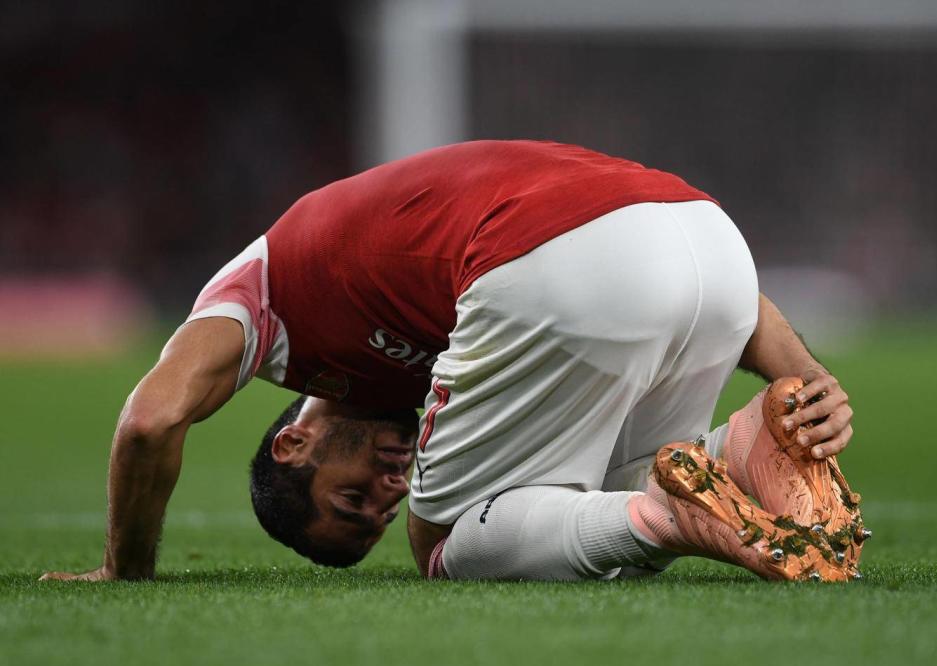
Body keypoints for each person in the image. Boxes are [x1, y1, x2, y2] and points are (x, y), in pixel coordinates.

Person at [40, 140, 853, 582]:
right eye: (378, 506)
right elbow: (668, 264)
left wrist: (125, 569)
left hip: (567, 257)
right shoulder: (392, 349)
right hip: (709, 239)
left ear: (293, 440)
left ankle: (674, 520)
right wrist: (805, 383)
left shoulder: (260, 299)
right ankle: (741, 448)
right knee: (603, 501)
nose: (392, 486)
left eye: (351, 492)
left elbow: (149, 419)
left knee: (441, 541)